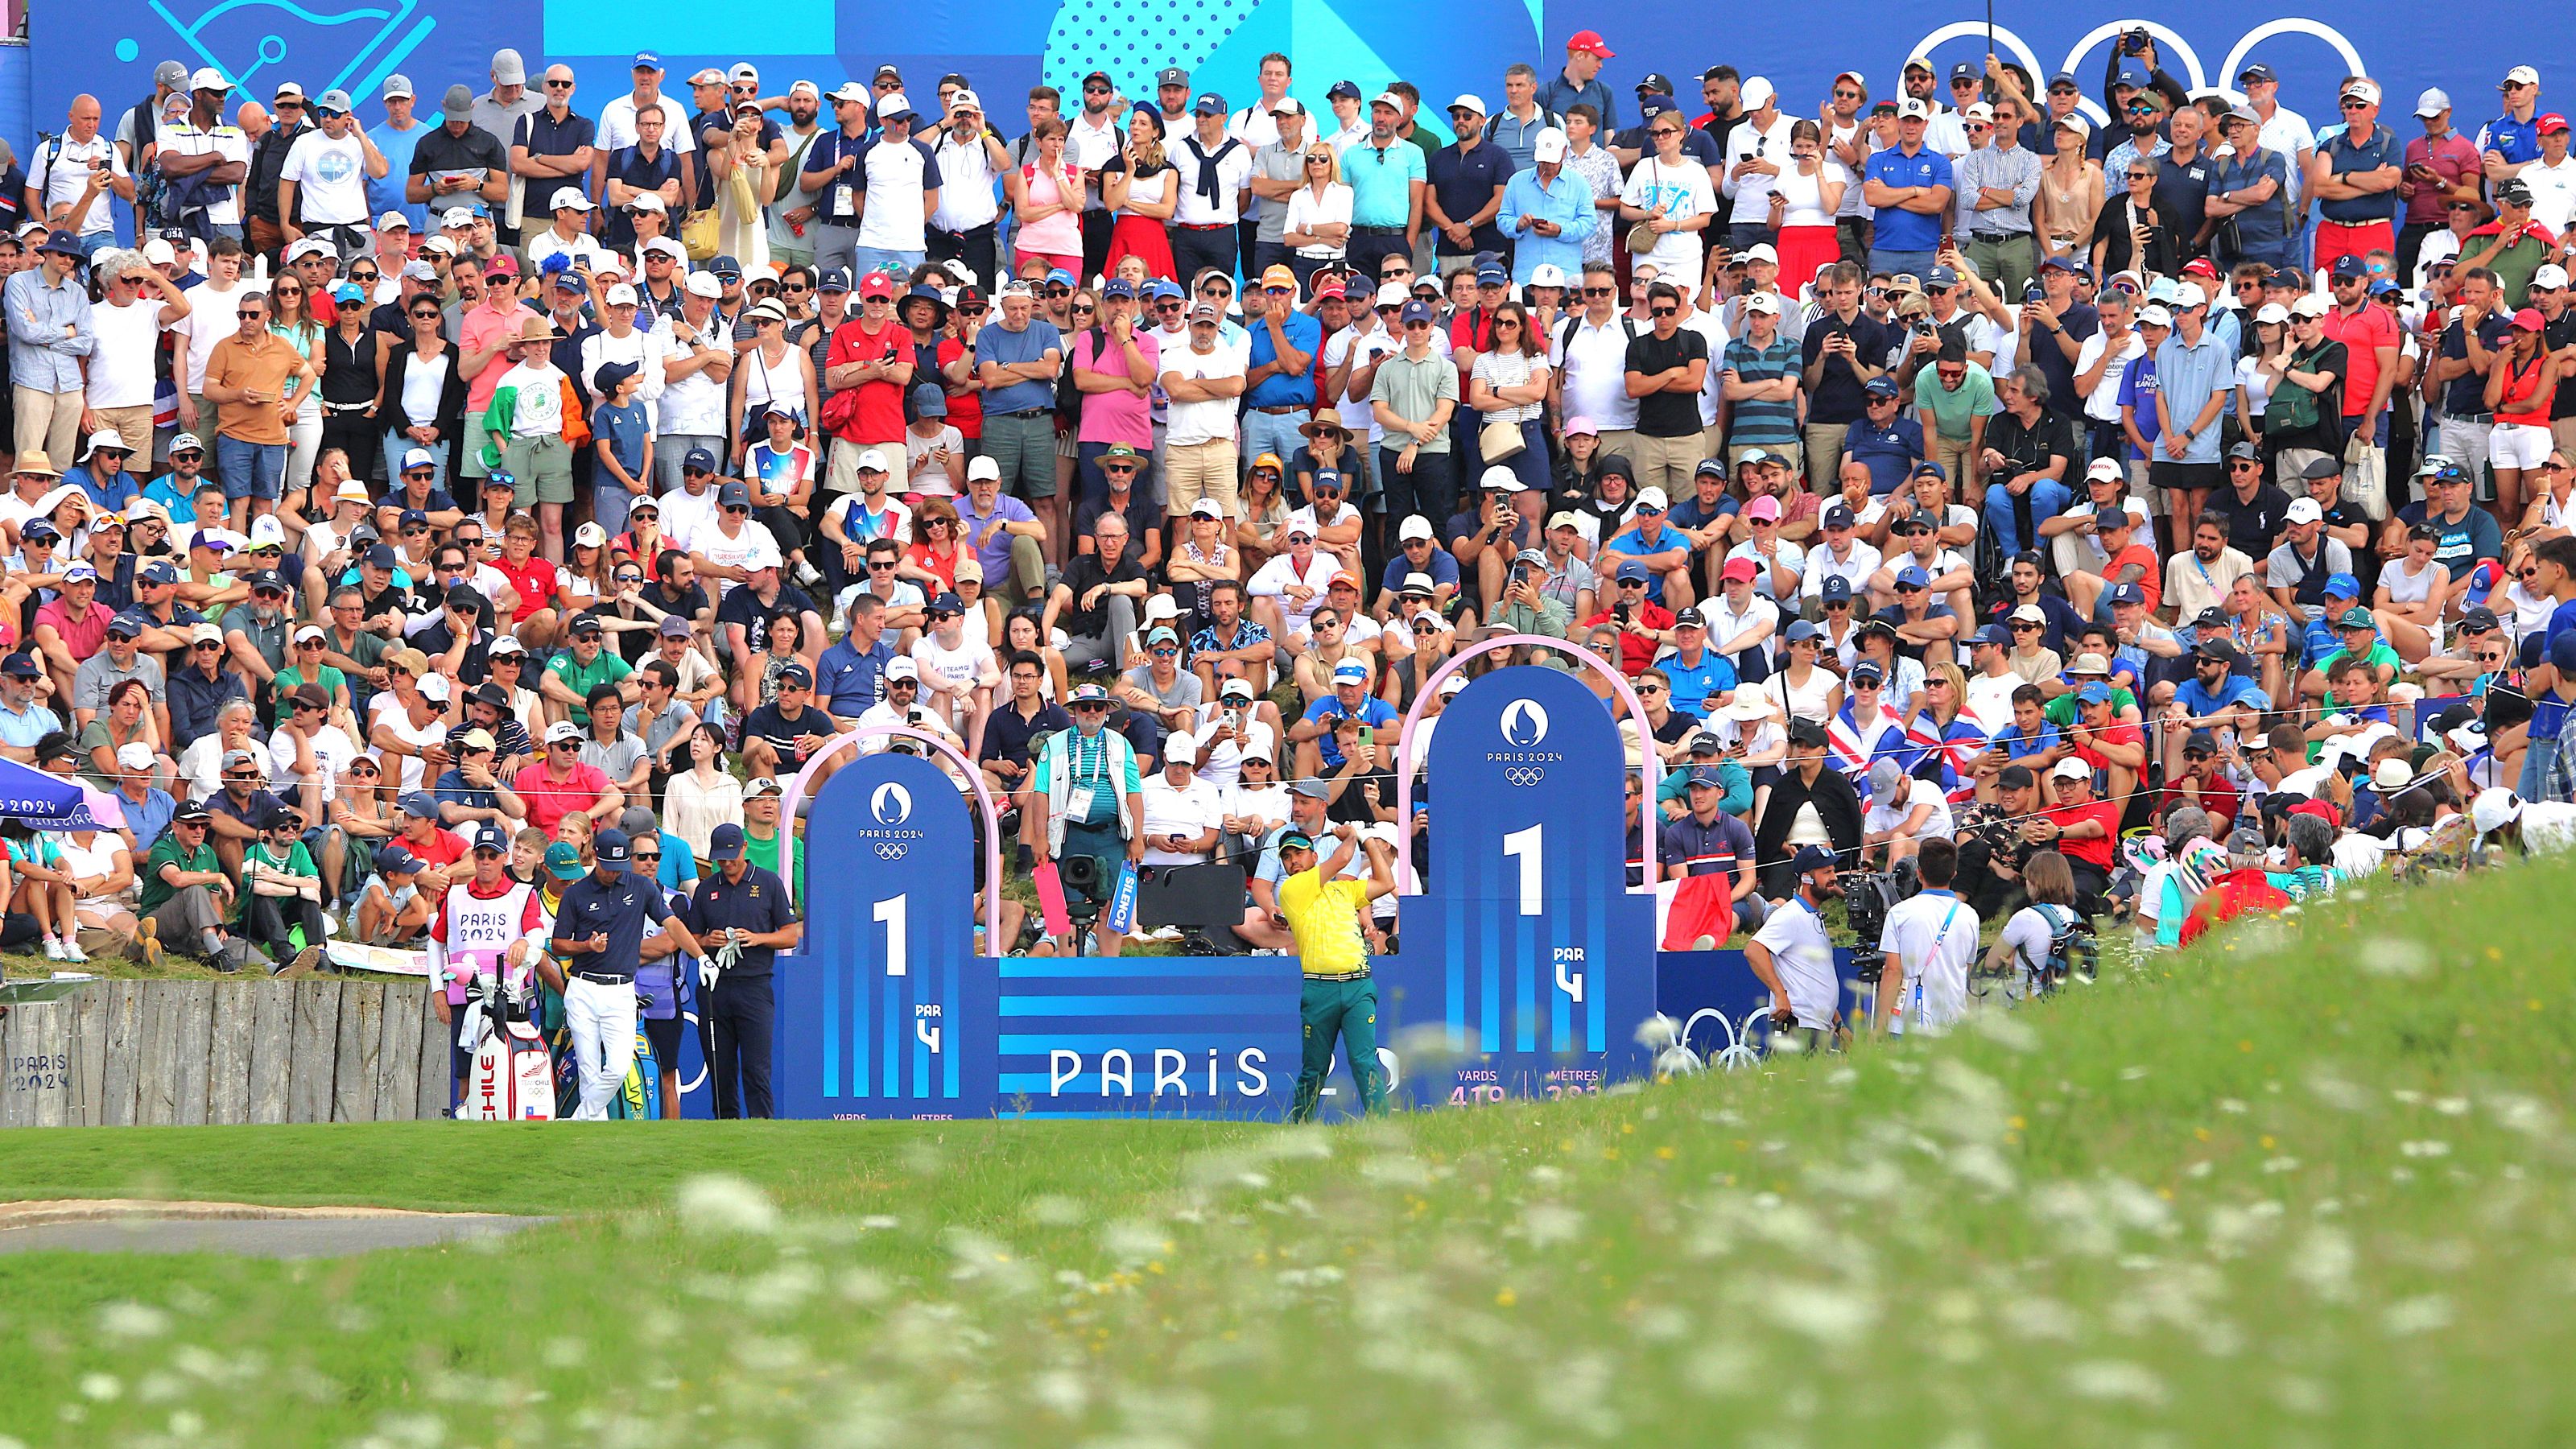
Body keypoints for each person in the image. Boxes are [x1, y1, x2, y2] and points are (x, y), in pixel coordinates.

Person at [549, 826, 704, 1120]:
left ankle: (579, 1120)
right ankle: (594, 1136)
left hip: (621, 989)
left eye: (619, 867)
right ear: (596, 857)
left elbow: (671, 924)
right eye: (608, 867)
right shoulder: (577, 893)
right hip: (584, 988)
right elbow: (559, 944)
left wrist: (701, 956)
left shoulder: (641, 887)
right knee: (589, 1069)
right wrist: (586, 946)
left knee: (619, 1067)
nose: (614, 873)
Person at [1273, 819, 1394, 1122]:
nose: (1293, 862)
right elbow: (1341, 857)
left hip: (1358, 986)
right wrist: (1352, 835)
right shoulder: (1292, 890)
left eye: (1299, 854)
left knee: (1364, 1060)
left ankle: (1381, 1127)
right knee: (1314, 1067)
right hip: (1320, 989)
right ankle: (1300, 1127)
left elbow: (1386, 882)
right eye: (1287, 858)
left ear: (1314, 857)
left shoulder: (1343, 890)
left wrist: (1368, 841)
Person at [682, 821, 799, 1119]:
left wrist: (758, 938)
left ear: (744, 848)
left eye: (731, 856)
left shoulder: (769, 883)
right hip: (715, 989)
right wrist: (708, 940)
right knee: (720, 1067)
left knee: (756, 1067)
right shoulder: (707, 889)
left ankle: (761, 1128)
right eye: (721, 858)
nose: (727, 863)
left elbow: (789, 934)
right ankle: (726, 1128)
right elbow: (691, 938)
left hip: (755, 986)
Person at [1743, 844, 1843, 1051]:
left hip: (1815, 1027)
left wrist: (1839, 1027)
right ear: (1806, 878)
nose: (1833, 877)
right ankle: (1766, 913)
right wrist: (1779, 993)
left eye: (1833, 870)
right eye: (1826, 872)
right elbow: (1753, 950)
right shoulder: (1791, 914)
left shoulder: (1812, 917)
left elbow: (1816, 980)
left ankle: (1765, 913)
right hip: (1798, 1027)